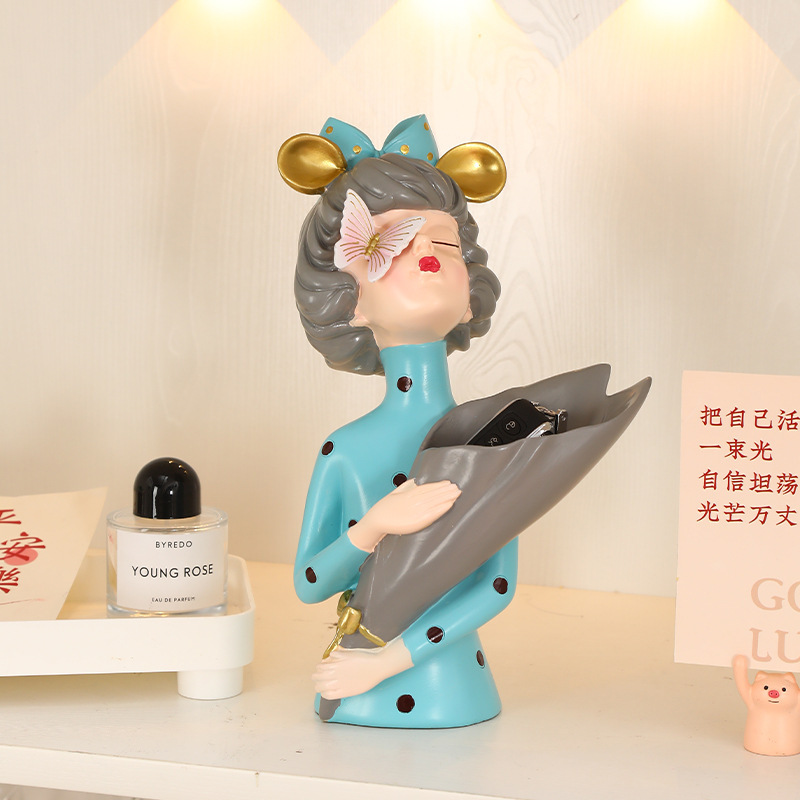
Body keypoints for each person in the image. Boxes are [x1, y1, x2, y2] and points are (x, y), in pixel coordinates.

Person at [284, 118, 515, 727]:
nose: (426, 255)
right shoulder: (345, 449)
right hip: (349, 689)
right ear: (348, 298)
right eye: (393, 244)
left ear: (469, 294)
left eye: (445, 245)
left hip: (449, 688)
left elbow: (496, 585)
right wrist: (374, 527)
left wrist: (387, 662)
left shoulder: (493, 438)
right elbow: (309, 581)